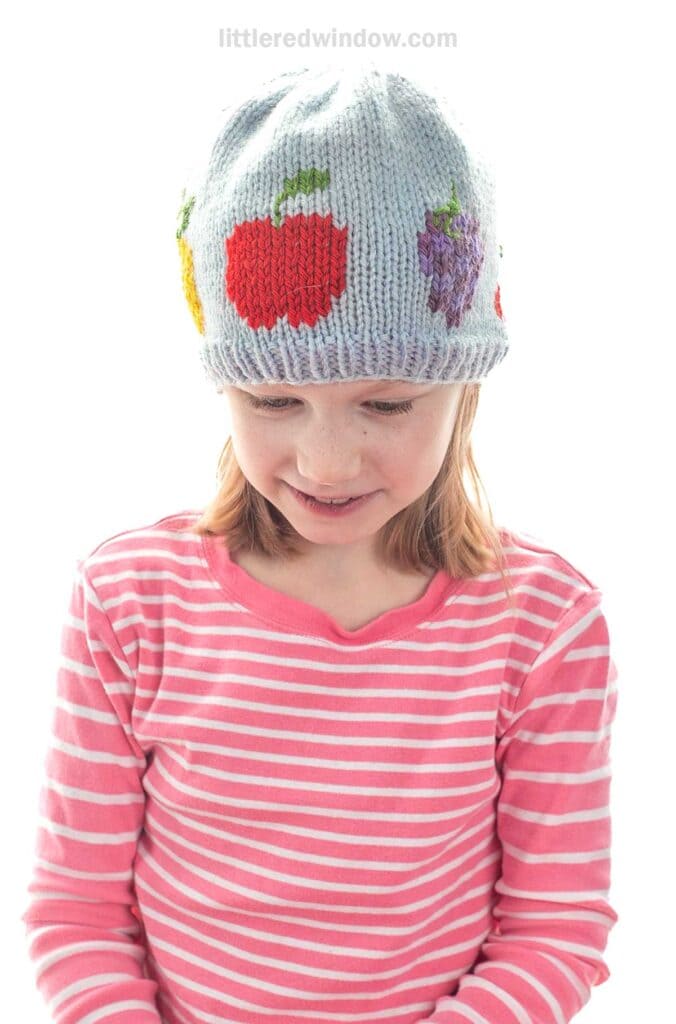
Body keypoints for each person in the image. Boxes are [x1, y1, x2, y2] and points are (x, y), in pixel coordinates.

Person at [20, 64, 619, 1024]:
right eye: (273, 401)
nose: (326, 460)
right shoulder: (129, 602)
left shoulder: (541, 624)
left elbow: (554, 927)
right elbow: (76, 913)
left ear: (465, 384)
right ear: (224, 385)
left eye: (387, 404)